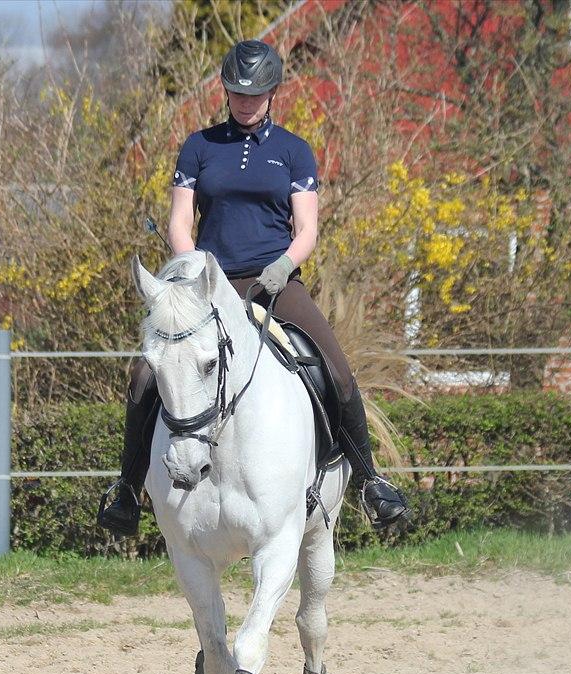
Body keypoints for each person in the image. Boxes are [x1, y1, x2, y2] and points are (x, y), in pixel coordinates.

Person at [98, 39, 408, 535]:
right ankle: (127, 491)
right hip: (209, 286)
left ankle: (371, 481)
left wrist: (284, 265)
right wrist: (195, 268)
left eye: (256, 94)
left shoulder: (293, 151)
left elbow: (307, 229)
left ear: (272, 93)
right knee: (144, 376)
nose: (246, 102)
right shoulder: (198, 146)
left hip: (274, 281)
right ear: (226, 91)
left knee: (336, 368)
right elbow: (181, 220)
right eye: (238, 93)